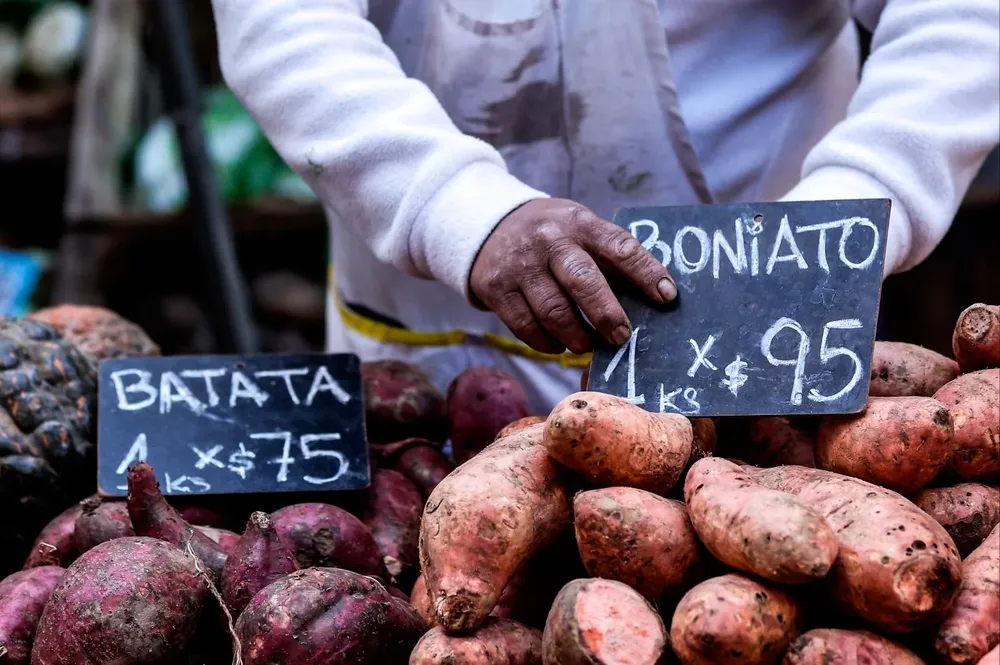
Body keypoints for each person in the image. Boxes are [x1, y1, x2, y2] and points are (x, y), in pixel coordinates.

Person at [210, 0, 999, 412]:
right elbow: (284, 18)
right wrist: (450, 208)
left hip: (766, 326)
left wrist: (856, 203)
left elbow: (960, 16)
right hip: (427, 327)